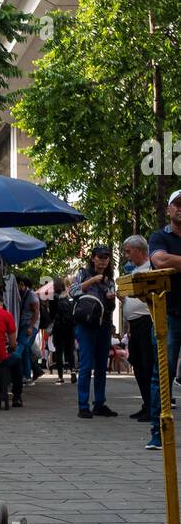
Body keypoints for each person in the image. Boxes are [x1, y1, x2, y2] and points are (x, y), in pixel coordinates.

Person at [146, 190, 181, 450]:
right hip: (168, 314)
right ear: (168, 210)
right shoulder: (160, 236)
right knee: (163, 372)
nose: (180, 209)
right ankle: (158, 431)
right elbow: (159, 261)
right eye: (177, 205)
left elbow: (169, 261)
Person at [70, 244, 118, 419]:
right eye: (100, 257)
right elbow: (73, 291)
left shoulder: (110, 279)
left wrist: (111, 299)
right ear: (93, 258)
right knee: (85, 365)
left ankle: (99, 403)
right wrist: (92, 281)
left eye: (106, 257)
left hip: (103, 324)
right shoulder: (83, 274)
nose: (103, 260)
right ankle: (83, 405)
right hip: (85, 324)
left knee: (101, 366)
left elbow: (111, 307)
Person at [122, 235, 154, 423]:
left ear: (139, 250)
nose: (127, 255)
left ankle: (152, 406)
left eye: (128, 251)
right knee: (138, 365)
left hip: (146, 321)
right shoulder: (134, 271)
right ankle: (146, 404)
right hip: (134, 325)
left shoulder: (151, 268)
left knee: (147, 365)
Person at [49, 277, 76, 385]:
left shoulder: (53, 298)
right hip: (70, 326)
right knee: (70, 349)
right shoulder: (70, 296)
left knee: (59, 351)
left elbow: (51, 314)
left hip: (58, 327)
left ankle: (60, 377)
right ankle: (73, 371)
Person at [15, 276, 41, 382]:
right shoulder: (24, 294)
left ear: (21, 284)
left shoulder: (31, 295)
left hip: (29, 325)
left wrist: (31, 327)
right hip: (25, 325)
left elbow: (36, 311)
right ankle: (30, 373)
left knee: (20, 347)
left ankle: (24, 374)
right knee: (25, 349)